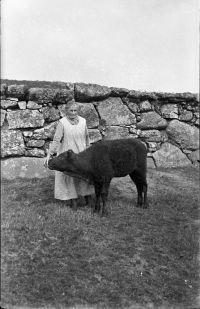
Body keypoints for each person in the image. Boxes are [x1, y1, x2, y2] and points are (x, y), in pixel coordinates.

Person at [45, 100, 94, 209]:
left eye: (75, 110)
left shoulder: (83, 121)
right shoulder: (62, 123)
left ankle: (88, 198)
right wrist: (50, 154)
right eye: (71, 110)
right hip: (67, 156)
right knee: (69, 178)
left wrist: (89, 152)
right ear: (66, 111)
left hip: (81, 153)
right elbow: (56, 140)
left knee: (84, 176)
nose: (73, 113)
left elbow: (87, 138)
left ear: (78, 111)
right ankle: (73, 201)